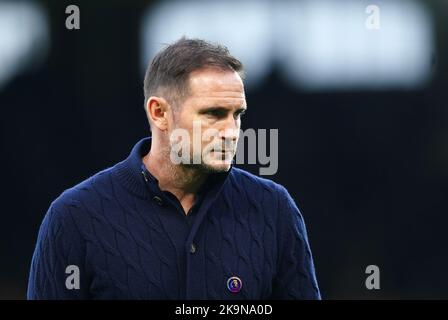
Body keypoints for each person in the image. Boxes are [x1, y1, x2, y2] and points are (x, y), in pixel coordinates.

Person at [27, 37, 321, 299]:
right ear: (159, 113)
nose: (231, 131)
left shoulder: (274, 209)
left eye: (237, 114)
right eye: (213, 113)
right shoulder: (75, 218)